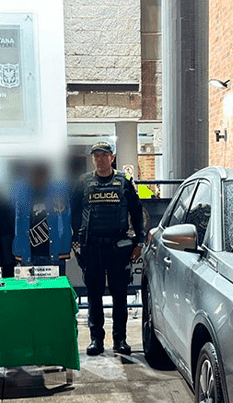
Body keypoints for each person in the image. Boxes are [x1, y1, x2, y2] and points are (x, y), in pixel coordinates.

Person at [71, 141, 145, 356]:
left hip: (118, 248)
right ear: (93, 159)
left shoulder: (124, 181)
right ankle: (96, 340)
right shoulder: (83, 182)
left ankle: (120, 340)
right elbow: (73, 213)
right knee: (94, 295)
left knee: (120, 296)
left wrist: (139, 241)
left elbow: (138, 213)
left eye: (104, 155)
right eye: (96, 156)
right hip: (92, 248)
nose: (100, 159)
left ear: (112, 157)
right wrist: (76, 241)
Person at [12, 161, 72, 272]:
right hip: (28, 255)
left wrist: (64, 249)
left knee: (55, 288)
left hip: (55, 254)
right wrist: (19, 251)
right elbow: (16, 223)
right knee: (31, 289)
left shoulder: (60, 192)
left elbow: (67, 220)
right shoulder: (21, 194)